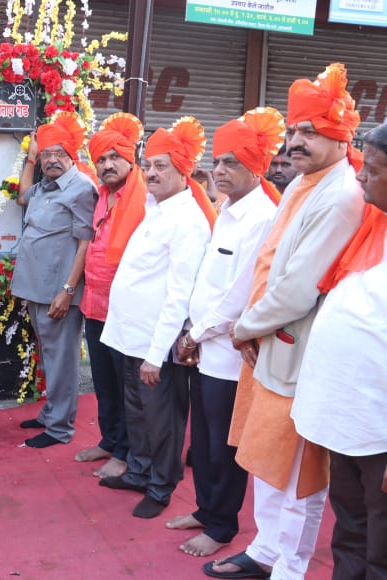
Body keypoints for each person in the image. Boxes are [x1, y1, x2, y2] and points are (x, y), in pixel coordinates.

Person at [206, 63, 366, 580]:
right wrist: (252, 328)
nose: (295, 141)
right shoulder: (305, 182)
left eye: (309, 131)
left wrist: (243, 327)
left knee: (296, 471)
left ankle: (288, 568)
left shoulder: (342, 195)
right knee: (266, 461)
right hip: (271, 342)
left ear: (341, 137)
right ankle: (265, 552)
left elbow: (298, 286)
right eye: (294, 131)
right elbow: (268, 267)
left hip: (297, 350)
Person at [170, 107, 283, 558]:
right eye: (217, 161)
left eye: (231, 162)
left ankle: (221, 526)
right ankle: (204, 509)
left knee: (224, 446)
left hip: (230, 354)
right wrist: (192, 332)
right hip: (205, 347)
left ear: (256, 167)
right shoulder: (228, 208)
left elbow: (239, 295)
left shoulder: (261, 218)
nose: (219, 170)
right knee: (202, 442)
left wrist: (194, 334)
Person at [99, 116, 215, 519]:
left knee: (162, 417)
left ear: (184, 171)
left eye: (161, 166)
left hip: (155, 343)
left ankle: (161, 485)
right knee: (137, 412)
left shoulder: (188, 221)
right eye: (148, 165)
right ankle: (140, 470)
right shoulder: (156, 209)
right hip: (129, 335)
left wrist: (155, 352)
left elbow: (179, 295)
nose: (150, 173)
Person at [290, 123, 387, 580]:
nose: (360, 177)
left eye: (372, 169)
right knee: (349, 530)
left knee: (380, 546)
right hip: (350, 420)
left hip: (380, 434)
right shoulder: (372, 227)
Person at [12, 114, 97, 449]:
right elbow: (21, 197)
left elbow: (85, 244)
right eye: (47, 154)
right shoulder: (45, 186)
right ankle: (50, 414)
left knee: (61, 359)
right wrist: (31, 157)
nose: (52, 160)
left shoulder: (80, 189)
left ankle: (60, 427)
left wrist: (68, 290)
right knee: (49, 355)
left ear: (72, 155)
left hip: (60, 292)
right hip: (36, 288)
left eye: (59, 153)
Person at [74, 112, 147, 477]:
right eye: (100, 159)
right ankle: (109, 440)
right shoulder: (101, 196)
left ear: (130, 158)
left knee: (125, 387)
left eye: (114, 156)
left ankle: (126, 451)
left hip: (128, 310)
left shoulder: (146, 198)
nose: (106, 164)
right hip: (95, 304)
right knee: (104, 382)